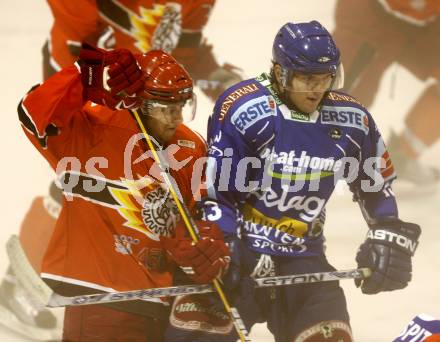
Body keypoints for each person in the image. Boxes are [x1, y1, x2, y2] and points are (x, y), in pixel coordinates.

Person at [1, 1, 242, 338]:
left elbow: (184, 45)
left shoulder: (189, 144)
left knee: (151, 200)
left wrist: (217, 77)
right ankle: (20, 285)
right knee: (82, 182)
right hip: (87, 79)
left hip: (154, 91)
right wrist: (92, 73)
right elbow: (69, 47)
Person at [169, 20, 421, 341]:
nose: (318, 88)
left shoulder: (353, 119)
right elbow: (220, 195)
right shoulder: (244, 109)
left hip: (303, 258)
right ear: (279, 73)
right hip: (239, 255)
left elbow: (374, 186)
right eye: (307, 79)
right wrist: (224, 245)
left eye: (326, 77)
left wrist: (386, 229)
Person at [332, 0, 440, 186]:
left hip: (426, 25)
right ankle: (290, 147)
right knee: (342, 88)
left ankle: (401, 156)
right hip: (375, 12)